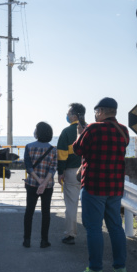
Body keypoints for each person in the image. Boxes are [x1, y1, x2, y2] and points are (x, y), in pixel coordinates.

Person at [73, 97, 130, 272]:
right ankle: (120, 268)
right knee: (116, 227)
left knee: (94, 229)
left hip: (94, 186)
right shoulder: (123, 130)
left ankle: (96, 270)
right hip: (115, 187)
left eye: (96, 111)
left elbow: (77, 149)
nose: (95, 114)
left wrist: (80, 133)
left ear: (101, 111)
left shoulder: (92, 129)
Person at [22, 122, 57, 249]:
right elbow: (53, 169)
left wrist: (38, 180)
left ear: (38, 132)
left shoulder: (28, 146)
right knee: (46, 212)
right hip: (47, 186)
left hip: (32, 184)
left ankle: (27, 240)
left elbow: (28, 166)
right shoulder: (53, 150)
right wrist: (44, 183)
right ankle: (44, 241)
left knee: (29, 211)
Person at [57, 102, 86, 245]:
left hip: (71, 172)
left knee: (71, 204)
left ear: (74, 116)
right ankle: (95, 232)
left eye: (68, 114)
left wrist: (60, 172)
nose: (67, 116)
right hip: (89, 170)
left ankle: (70, 234)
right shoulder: (90, 129)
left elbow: (62, 155)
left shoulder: (66, 132)